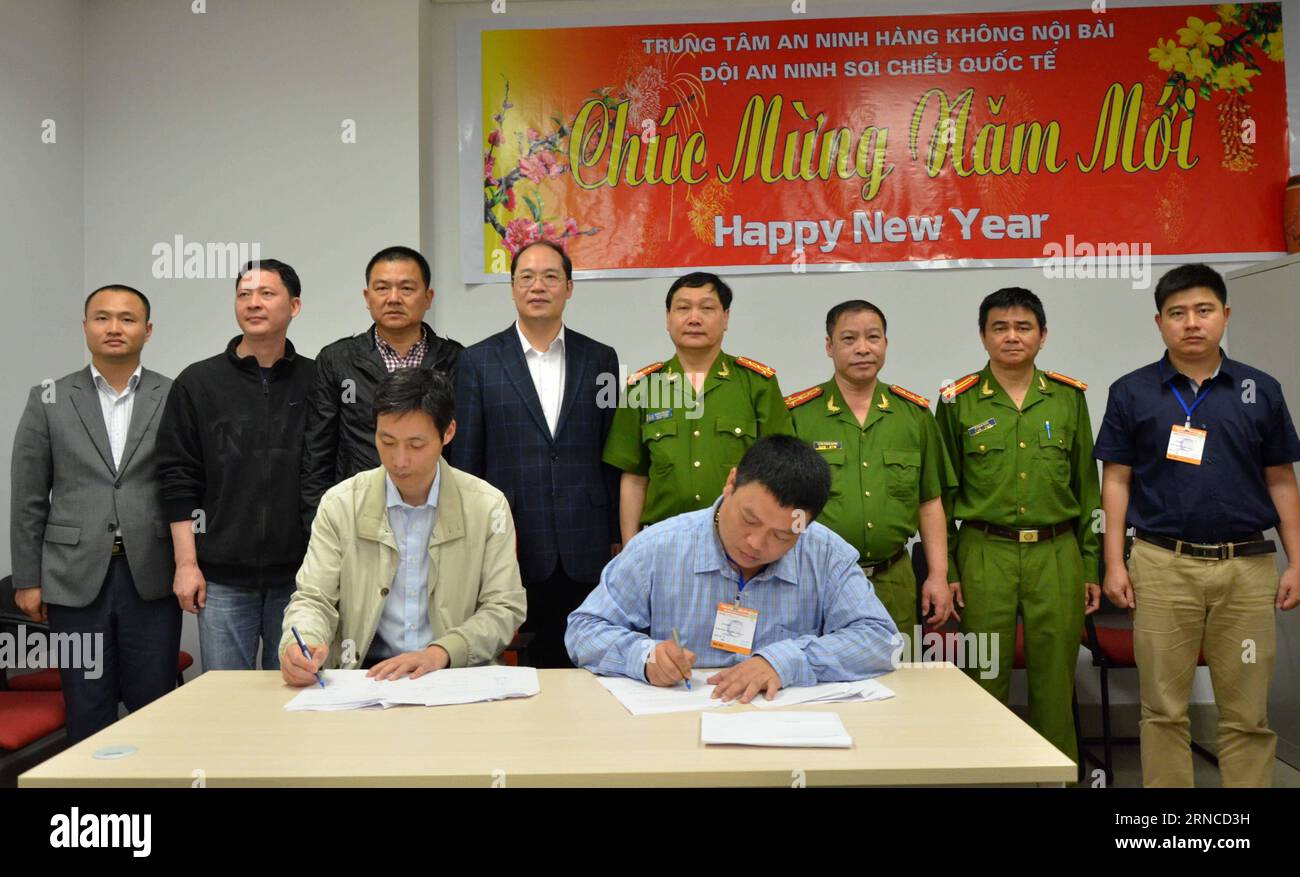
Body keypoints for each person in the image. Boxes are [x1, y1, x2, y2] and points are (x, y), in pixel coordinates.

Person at [1095, 263, 1300, 787]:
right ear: (1159, 322)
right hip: (1162, 566)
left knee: (1247, 712)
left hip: (1247, 567)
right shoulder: (1132, 392)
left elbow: (1280, 478)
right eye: (1178, 313)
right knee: (1162, 708)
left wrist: (1297, 560)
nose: (1192, 323)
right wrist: (1115, 562)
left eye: (1204, 311)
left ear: (1225, 316)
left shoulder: (1261, 389)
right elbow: (1116, 480)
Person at [566, 435, 898, 704]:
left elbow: (880, 639)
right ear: (731, 483)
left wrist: (784, 661)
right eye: (749, 519)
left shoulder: (826, 554)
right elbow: (584, 630)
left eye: (782, 535)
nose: (755, 543)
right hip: (677, 724)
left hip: (785, 730)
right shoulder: (658, 547)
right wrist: (643, 657)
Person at [935, 287, 1100, 767]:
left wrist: (1089, 563)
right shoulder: (956, 400)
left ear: (1043, 336)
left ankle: (1058, 777)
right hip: (986, 552)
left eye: (1023, 327)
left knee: (1055, 681)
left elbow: (1087, 489)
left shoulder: (1068, 398)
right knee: (984, 678)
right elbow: (941, 495)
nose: (1012, 337)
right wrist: (946, 569)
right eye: (1000, 327)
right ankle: (986, 776)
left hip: (1058, 553)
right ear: (983, 336)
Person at [280, 367, 526, 685]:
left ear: (448, 432)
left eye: (416, 444)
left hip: (454, 674)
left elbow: (504, 607)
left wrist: (443, 651)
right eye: (387, 441)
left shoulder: (487, 506)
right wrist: (300, 647)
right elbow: (314, 598)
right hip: (365, 676)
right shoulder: (340, 503)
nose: (399, 460)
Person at [10, 285, 179, 742]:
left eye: (127, 319)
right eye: (102, 318)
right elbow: (27, 496)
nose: (114, 328)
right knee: (86, 701)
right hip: (72, 577)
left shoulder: (175, 394)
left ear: (147, 330)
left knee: (156, 699)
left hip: (152, 573)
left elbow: (188, 486)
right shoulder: (49, 397)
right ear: (86, 327)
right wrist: (28, 578)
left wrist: (191, 562)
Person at [448, 240, 620, 668]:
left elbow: (611, 452)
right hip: (513, 539)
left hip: (586, 540)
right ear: (512, 287)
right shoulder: (477, 361)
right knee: (519, 665)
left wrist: (617, 534)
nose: (537, 286)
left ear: (569, 287)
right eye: (526, 277)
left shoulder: (601, 358)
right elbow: (466, 461)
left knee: (587, 659)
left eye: (550, 277)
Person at [156, 259, 315, 670]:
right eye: (244, 294)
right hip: (222, 578)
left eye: (267, 293)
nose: (253, 303)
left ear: (294, 306)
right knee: (225, 704)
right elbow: (178, 480)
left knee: (299, 697)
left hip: (302, 579)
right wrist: (186, 564)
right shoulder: (198, 382)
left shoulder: (317, 380)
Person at [786, 300, 956, 632]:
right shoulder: (798, 415)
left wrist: (938, 575)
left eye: (873, 338)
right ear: (829, 346)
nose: (862, 348)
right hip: (819, 579)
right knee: (823, 678)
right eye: (849, 339)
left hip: (893, 579)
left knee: (899, 679)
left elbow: (930, 502)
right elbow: (783, 506)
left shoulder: (914, 415)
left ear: (885, 344)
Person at [602, 272, 792, 543]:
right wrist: (630, 547)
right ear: (668, 319)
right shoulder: (642, 388)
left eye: (707, 308)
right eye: (683, 308)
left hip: (740, 541)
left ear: (725, 318)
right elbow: (634, 477)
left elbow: (779, 471)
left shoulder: (758, 385)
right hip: (663, 541)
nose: (694, 318)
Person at [300, 245, 462, 533]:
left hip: (438, 514)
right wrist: (317, 524)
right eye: (382, 288)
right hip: (358, 515)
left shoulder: (457, 360)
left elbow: (465, 449)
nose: (393, 299)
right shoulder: (337, 361)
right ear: (367, 297)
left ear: (428, 297)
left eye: (407, 288)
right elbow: (318, 454)